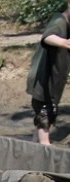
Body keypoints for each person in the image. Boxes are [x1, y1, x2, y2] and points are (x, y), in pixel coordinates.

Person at [26, 1, 70, 145]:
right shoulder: (59, 21)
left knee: (46, 118)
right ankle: (46, 156)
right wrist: (65, 43)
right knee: (44, 118)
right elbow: (47, 37)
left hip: (54, 83)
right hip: (43, 82)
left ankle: (31, 149)